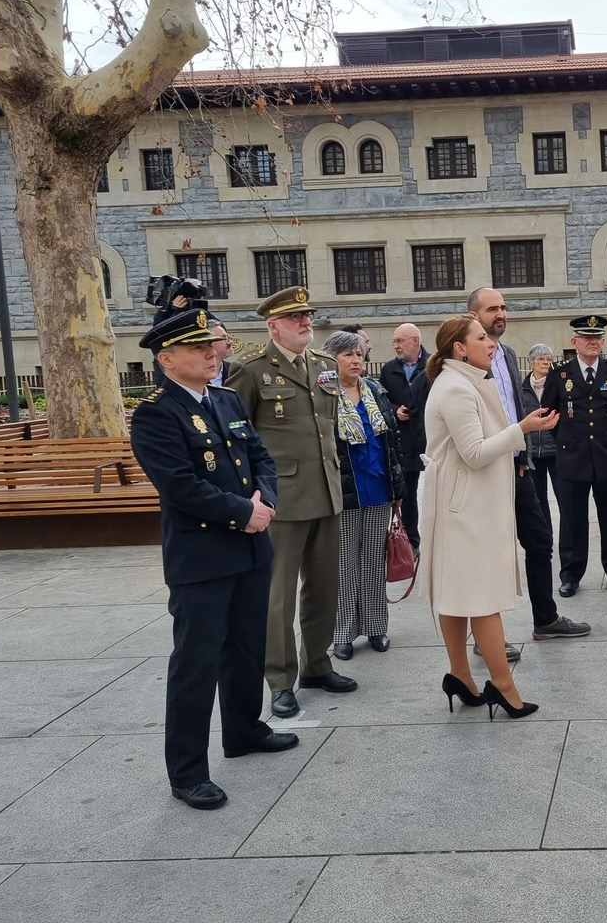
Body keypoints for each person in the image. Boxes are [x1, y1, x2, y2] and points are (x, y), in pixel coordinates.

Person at [129, 308, 297, 811]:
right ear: (166, 358)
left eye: (212, 344)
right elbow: (179, 485)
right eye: (197, 346)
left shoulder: (224, 400)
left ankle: (243, 730)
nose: (211, 351)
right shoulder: (157, 412)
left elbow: (261, 458)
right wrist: (242, 513)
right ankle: (187, 771)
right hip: (202, 555)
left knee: (247, 646)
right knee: (196, 663)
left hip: (250, 547)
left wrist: (265, 502)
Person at [422, 315, 560, 719]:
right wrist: (523, 428)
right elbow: (475, 452)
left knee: (456, 595)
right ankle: (502, 685)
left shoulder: (460, 380)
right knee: (480, 598)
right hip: (465, 510)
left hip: (461, 504)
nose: (491, 343)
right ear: (459, 348)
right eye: (481, 337)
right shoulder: (457, 387)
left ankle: (461, 676)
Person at [228, 287, 356, 720]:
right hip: (280, 500)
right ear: (273, 326)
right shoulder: (251, 371)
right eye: (296, 317)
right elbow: (235, 441)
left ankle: (317, 665)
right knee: (277, 596)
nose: (306, 322)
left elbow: (328, 430)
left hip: (326, 493)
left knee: (324, 587)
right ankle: (280, 681)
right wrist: (252, 496)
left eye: (308, 315)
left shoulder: (324, 366)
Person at [468, 288, 591, 643]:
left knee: (539, 541)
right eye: (493, 308)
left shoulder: (506, 353)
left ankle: (546, 619)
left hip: (515, 465)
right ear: (473, 314)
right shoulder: (465, 360)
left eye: (503, 307)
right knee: (489, 552)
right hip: (483, 468)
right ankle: (487, 639)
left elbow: (511, 408)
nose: (501, 314)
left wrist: (523, 455)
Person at [322, 330, 406, 661]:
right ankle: (342, 633)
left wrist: (398, 490)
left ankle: (375, 627)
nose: (356, 360)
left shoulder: (374, 390)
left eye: (359, 354)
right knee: (345, 564)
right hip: (344, 493)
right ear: (331, 359)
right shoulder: (324, 396)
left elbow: (392, 442)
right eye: (348, 355)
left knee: (373, 560)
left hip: (379, 488)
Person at [541, 314, 607, 598]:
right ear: (574, 342)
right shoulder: (560, 375)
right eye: (586, 338)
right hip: (572, 457)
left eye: (597, 338)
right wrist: (570, 442)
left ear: (603, 341)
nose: (592, 342)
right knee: (572, 519)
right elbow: (550, 414)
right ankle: (570, 574)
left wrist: (602, 439)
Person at [379, 323, 429, 556]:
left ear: (415, 341)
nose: (396, 346)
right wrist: (395, 409)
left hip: (430, 436)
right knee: (407, 492)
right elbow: (382, 399)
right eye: (395, 341)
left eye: (400, 341)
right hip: (403, 439)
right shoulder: (389, 369)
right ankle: (411, 542)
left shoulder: (433, 365)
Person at [520, 343, 559, 530]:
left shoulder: (557, 384)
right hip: (534, 452)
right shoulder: (522, 389)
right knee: (538, 497)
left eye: (548, 359)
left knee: (563, 495)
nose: (545, 362)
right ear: (531, 363)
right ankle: (546, 534)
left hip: (556, 450)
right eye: (541, 359)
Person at [208, 321, 234, 386]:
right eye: (224, 338)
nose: (230, 342)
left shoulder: (234, 371)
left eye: (228, 337)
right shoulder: (195, 374)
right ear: (209, 342)